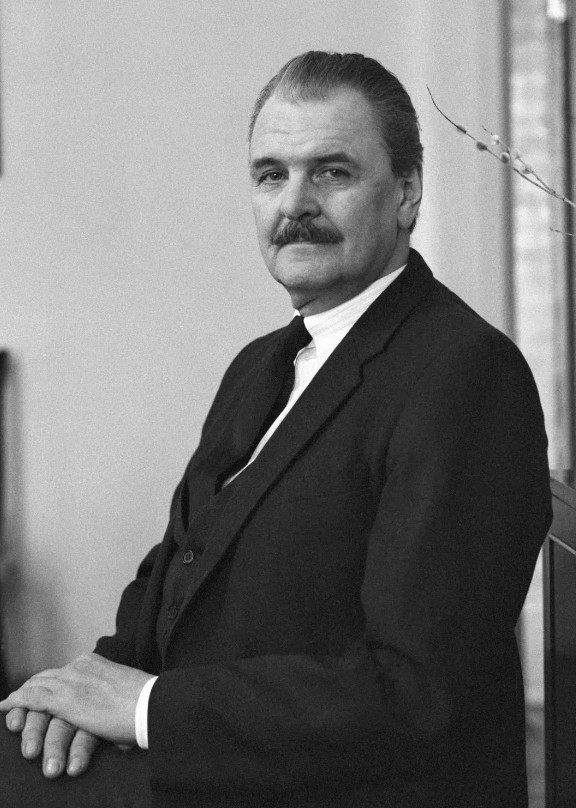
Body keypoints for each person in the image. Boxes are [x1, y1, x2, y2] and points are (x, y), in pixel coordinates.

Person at [0, 51, 551, 808]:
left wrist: (142, 707)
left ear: (407, 193)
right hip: (205, 760)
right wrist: (86, 688)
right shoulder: (261, 364)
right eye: (270, 175)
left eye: (332, 172)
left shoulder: (466, 374)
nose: (295, 203)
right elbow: (177, 564)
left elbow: (416, 693)